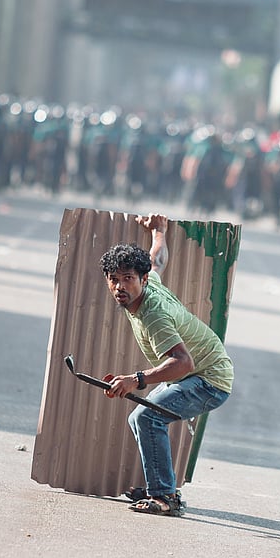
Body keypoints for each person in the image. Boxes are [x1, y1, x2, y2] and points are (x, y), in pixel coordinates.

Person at [99, 213, 234, 517]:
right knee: (139, 419)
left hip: (210, 380)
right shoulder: (151, 282)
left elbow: (182, 363)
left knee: (147, 418)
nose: (120, 287)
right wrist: (159, 231)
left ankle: (164, 497)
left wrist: (135, 379)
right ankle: (161, 486)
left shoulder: (153, 314)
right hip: (199, 373)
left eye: (128, 279)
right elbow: (156, 260)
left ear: (142, 280)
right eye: (114, 279)